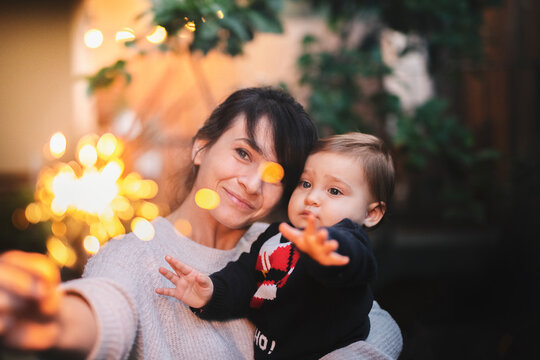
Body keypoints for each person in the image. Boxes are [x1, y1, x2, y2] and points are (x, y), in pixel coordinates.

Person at [0, 87, 402, 359]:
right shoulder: (132, 255)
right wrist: (57, 318)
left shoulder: (279, 243)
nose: (251, 183)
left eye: (276, 174)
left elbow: (375, 322)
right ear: (201, 147)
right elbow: (109, 306)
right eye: (244, 154)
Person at [156, 132, 394, 359]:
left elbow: (353, 262)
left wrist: (326, 251)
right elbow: (245, 277)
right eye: (306, 184)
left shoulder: (347, 243)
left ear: (372, 213)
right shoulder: (276, 234)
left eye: (334, 191)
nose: (312, 197)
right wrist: (212, 292)